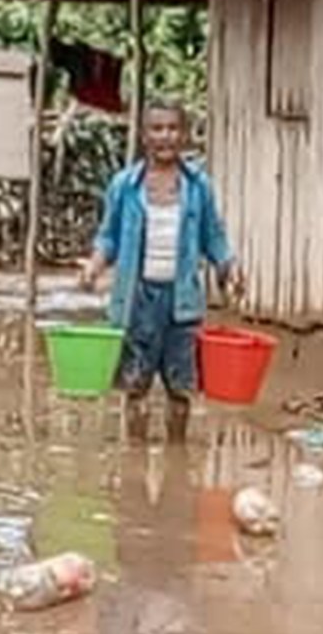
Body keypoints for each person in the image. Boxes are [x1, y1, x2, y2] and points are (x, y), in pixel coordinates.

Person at [80, 100, 240, 442]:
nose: (165, 136)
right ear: (144, 136)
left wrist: (228, 267)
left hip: (182, 301)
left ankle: (176, 451)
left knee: (181, 387)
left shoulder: (198, 186)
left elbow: (214, 236)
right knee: (135, 385)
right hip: (136, 300)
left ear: (184, 135)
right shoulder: (124, 185)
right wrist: (94, 266)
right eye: (157, 128)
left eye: (172, 128)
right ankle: (135, 458)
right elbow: (108, 236)